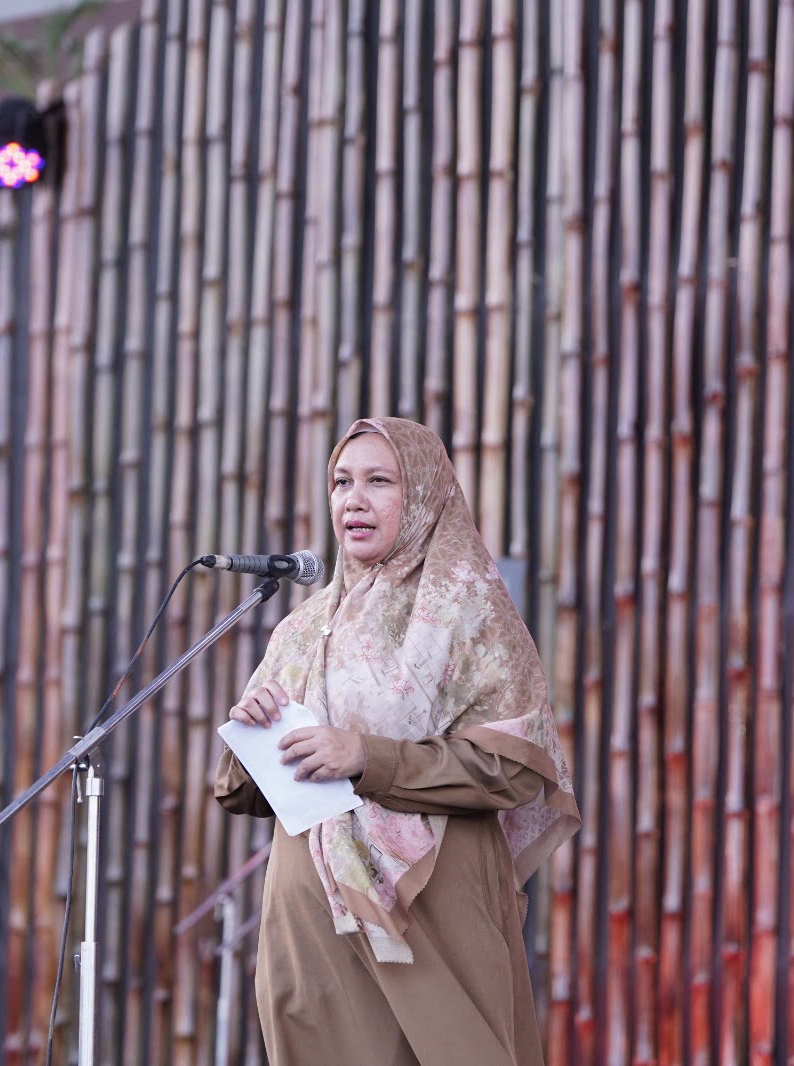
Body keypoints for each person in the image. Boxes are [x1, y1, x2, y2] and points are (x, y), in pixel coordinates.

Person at [214, 416, 579, 1065]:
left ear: (424, 493)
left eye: (379, 481)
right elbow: (240, 791)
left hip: (428, 919)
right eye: (341, 482)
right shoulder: (302, 629)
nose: (354, 500)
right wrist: (253, 735)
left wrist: (368, 758)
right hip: (311, 930)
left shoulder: (466, 610)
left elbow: (517, 769)